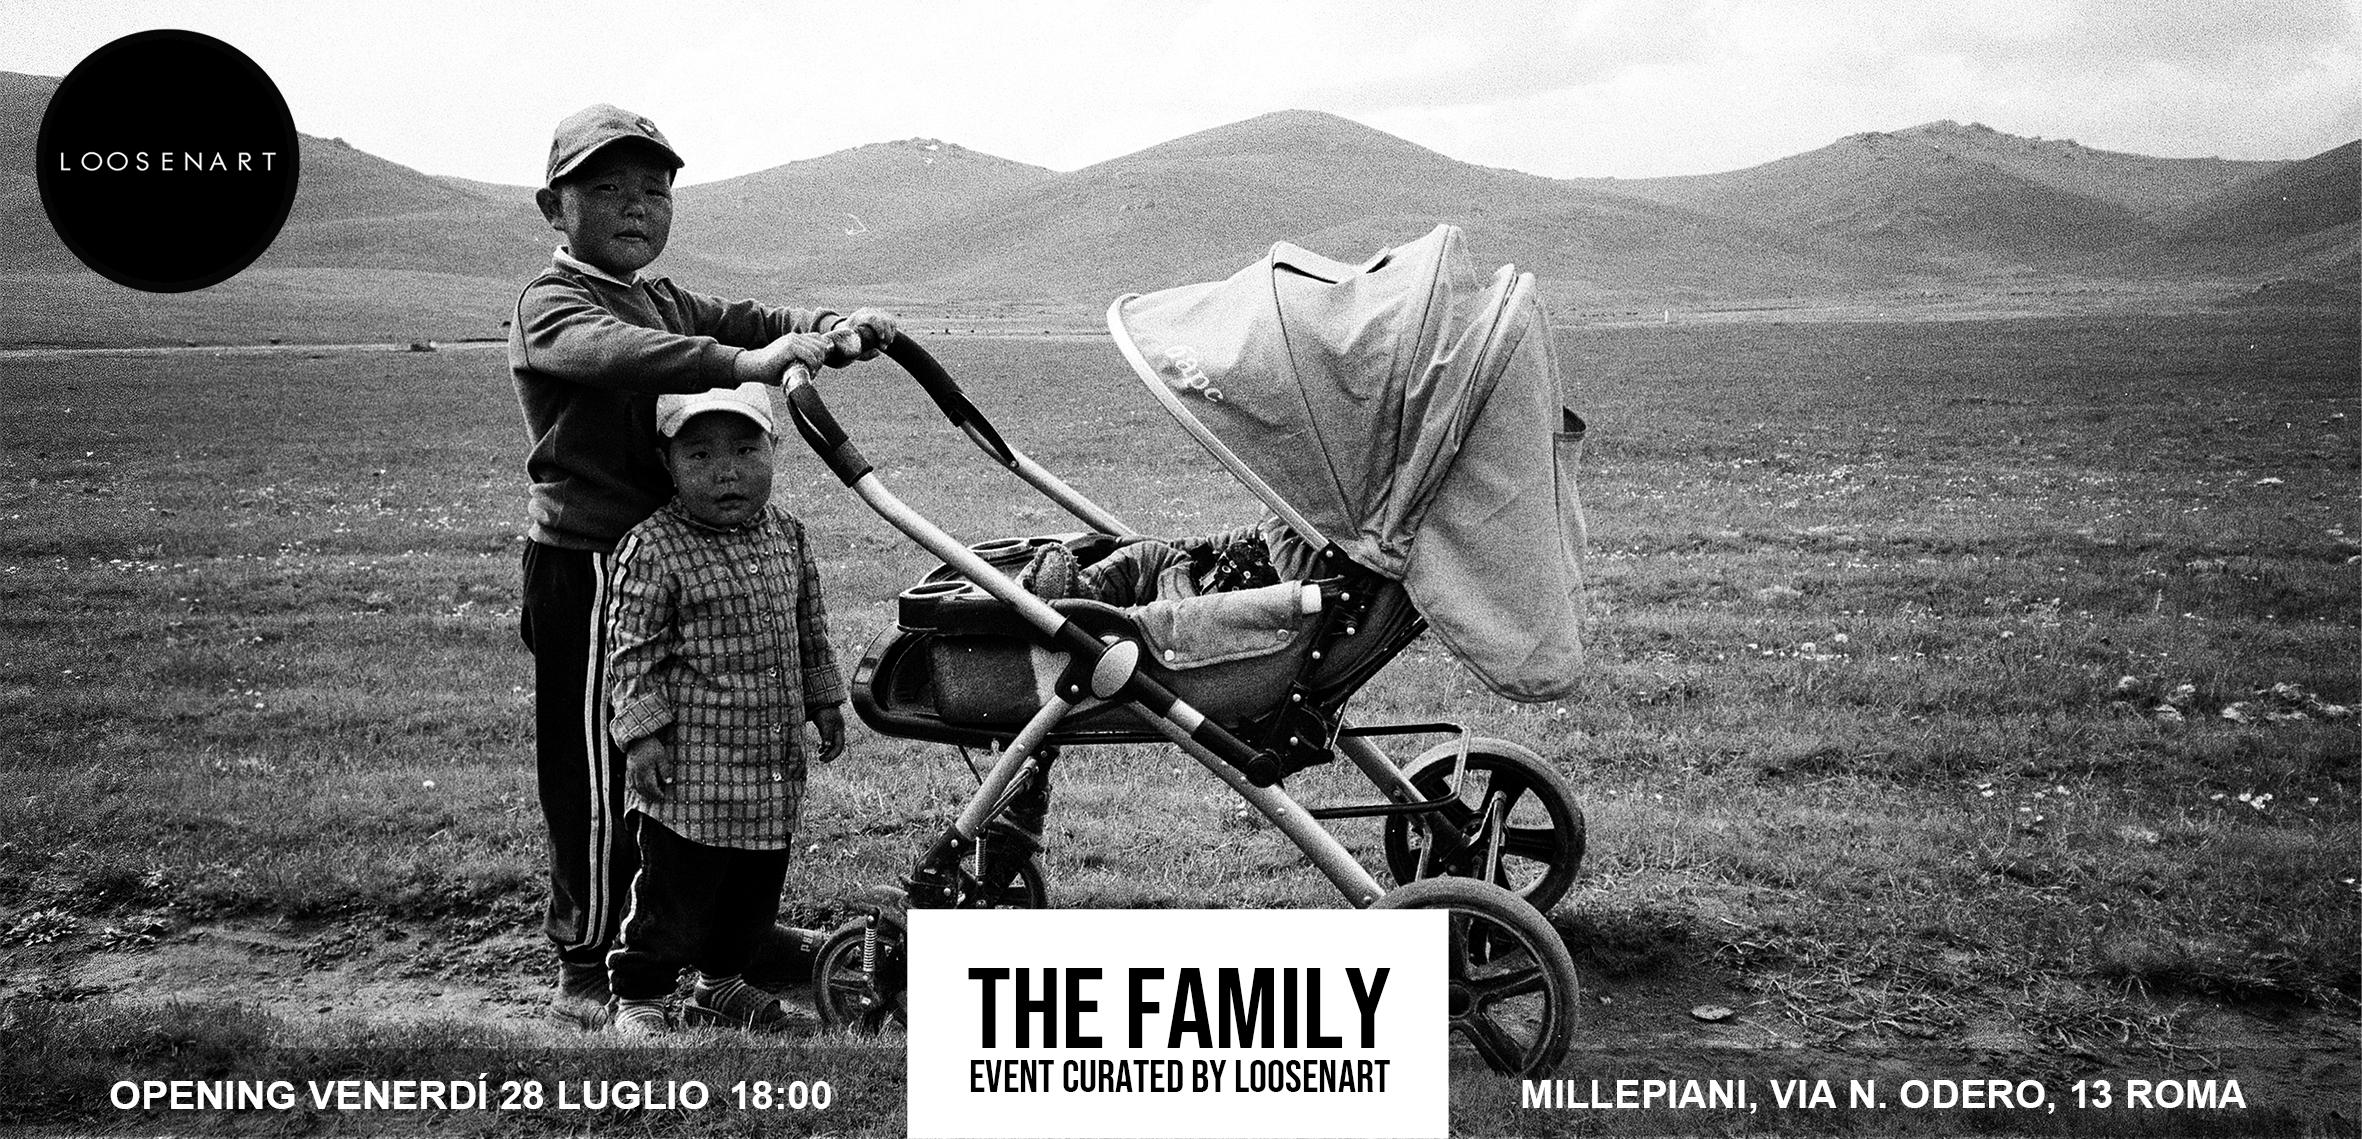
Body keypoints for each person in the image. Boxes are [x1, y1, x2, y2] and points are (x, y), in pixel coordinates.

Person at [508, 103, 892, 1026]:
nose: (635, 206)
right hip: (593, 566)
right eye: (607, 188)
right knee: (602, 774)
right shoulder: (552, 304)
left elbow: (750, 317)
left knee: (702, 760)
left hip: (685, 558)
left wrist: (829, 326)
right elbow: (625, 355)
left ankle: (722, 936)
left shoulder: (666, 299)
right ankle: (588, 960)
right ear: (554, 208)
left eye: (655, 189)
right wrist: (744, 360)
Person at [601, 382, 848, 1034]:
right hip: (690, 778)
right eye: (700, 455)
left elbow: (810, 627)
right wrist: (641, 737)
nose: (726, 472)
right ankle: (640, 995)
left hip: (770, 767)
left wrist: (825, 698)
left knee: (753, 889)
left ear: (774, 449)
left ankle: (720, 983)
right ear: (668, 462)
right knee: (674, 895)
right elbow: (632, 652)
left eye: (745, 450)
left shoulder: (787, 536)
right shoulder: (654, 547)